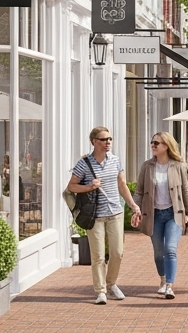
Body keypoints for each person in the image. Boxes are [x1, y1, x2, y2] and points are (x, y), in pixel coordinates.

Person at [67, 127, 142, 304]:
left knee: (117, 252)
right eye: (103, 139)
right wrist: (89, 186)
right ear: (94, 141)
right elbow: (71, 187)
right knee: (98, 255)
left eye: (110, 139)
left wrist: (132, 205)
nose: (108, 142)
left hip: (115, 212)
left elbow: (122, 184)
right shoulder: (83, 164)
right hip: (95, 216)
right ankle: (100, 290)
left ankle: (111, 283)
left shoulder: (115, 161)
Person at [135, 132, 188, 299]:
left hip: (173, 214)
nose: (153, 145)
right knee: (158, 252)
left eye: (157, 143)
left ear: (167, 146)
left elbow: (185, 189)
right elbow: (139, 191)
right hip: (154, 215)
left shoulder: (178, 166)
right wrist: (136, 209)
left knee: (170, 249)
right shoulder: (147, 166)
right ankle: (162, 279)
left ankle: (170, 285)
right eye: (152, 142)